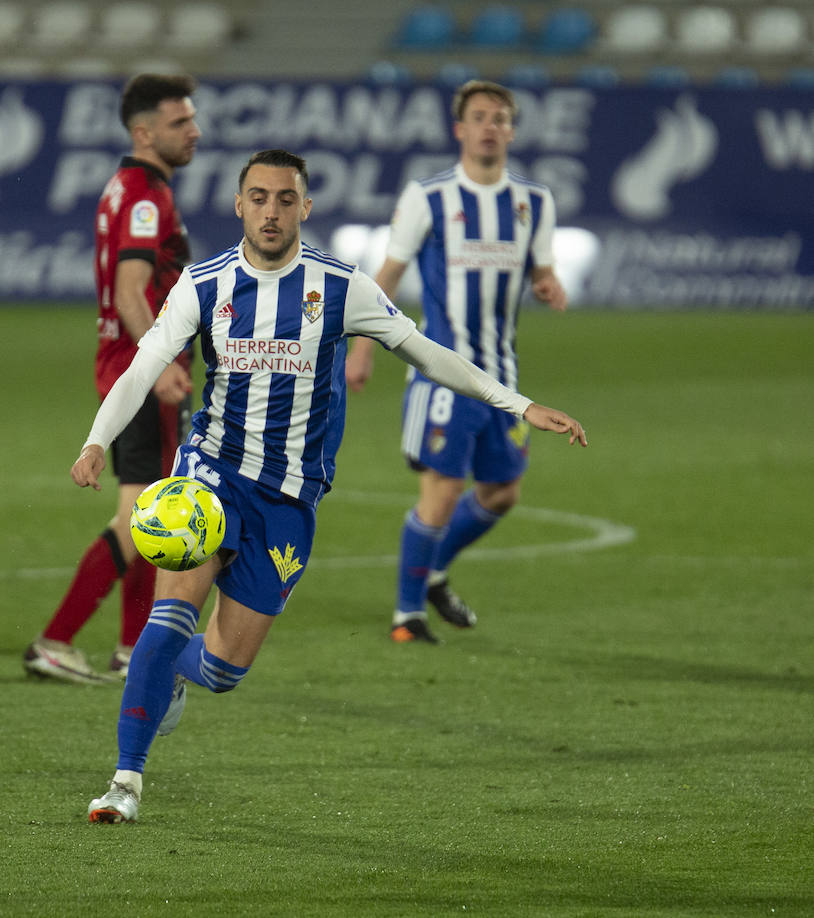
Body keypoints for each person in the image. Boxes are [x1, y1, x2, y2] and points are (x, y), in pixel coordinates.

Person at [71, 149, 586, 823]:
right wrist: (95, 440)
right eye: (258, 198)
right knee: (168, 614)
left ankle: (174, 673)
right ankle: (125, 782)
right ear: (238, 205)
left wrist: (518, 405)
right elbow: (143, 368)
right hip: (210, 473)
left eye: (285, 199)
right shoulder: (205, 283)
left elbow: (427, 353)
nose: (271, 212)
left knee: (225, 669)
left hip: (287, 498)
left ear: (305, 208)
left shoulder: (341, 287)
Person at [347, 80, 570, 645]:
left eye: (500, 117)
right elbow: (388, 275)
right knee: (442, 491)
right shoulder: (429, 197)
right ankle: (406, 617)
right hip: (440, 373)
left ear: (512, 130)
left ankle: (433, 571)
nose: (490, 126)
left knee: (501, 493)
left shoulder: (534, 202)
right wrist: (363, 347)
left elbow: (541, 270)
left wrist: (549, 285)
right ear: (460, 129)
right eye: (479, 116)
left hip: (503, 377)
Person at [23, 74, 201, 685]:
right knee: (140, 521)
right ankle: (55, 640)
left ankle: (131, 648)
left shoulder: (125, 187)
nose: (194, 131)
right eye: (181, 123)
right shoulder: (146, 196)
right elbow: (131, 291)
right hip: (142, 374)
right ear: (144, 131)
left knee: (150, 508)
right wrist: (165, 364)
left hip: (127, 367)